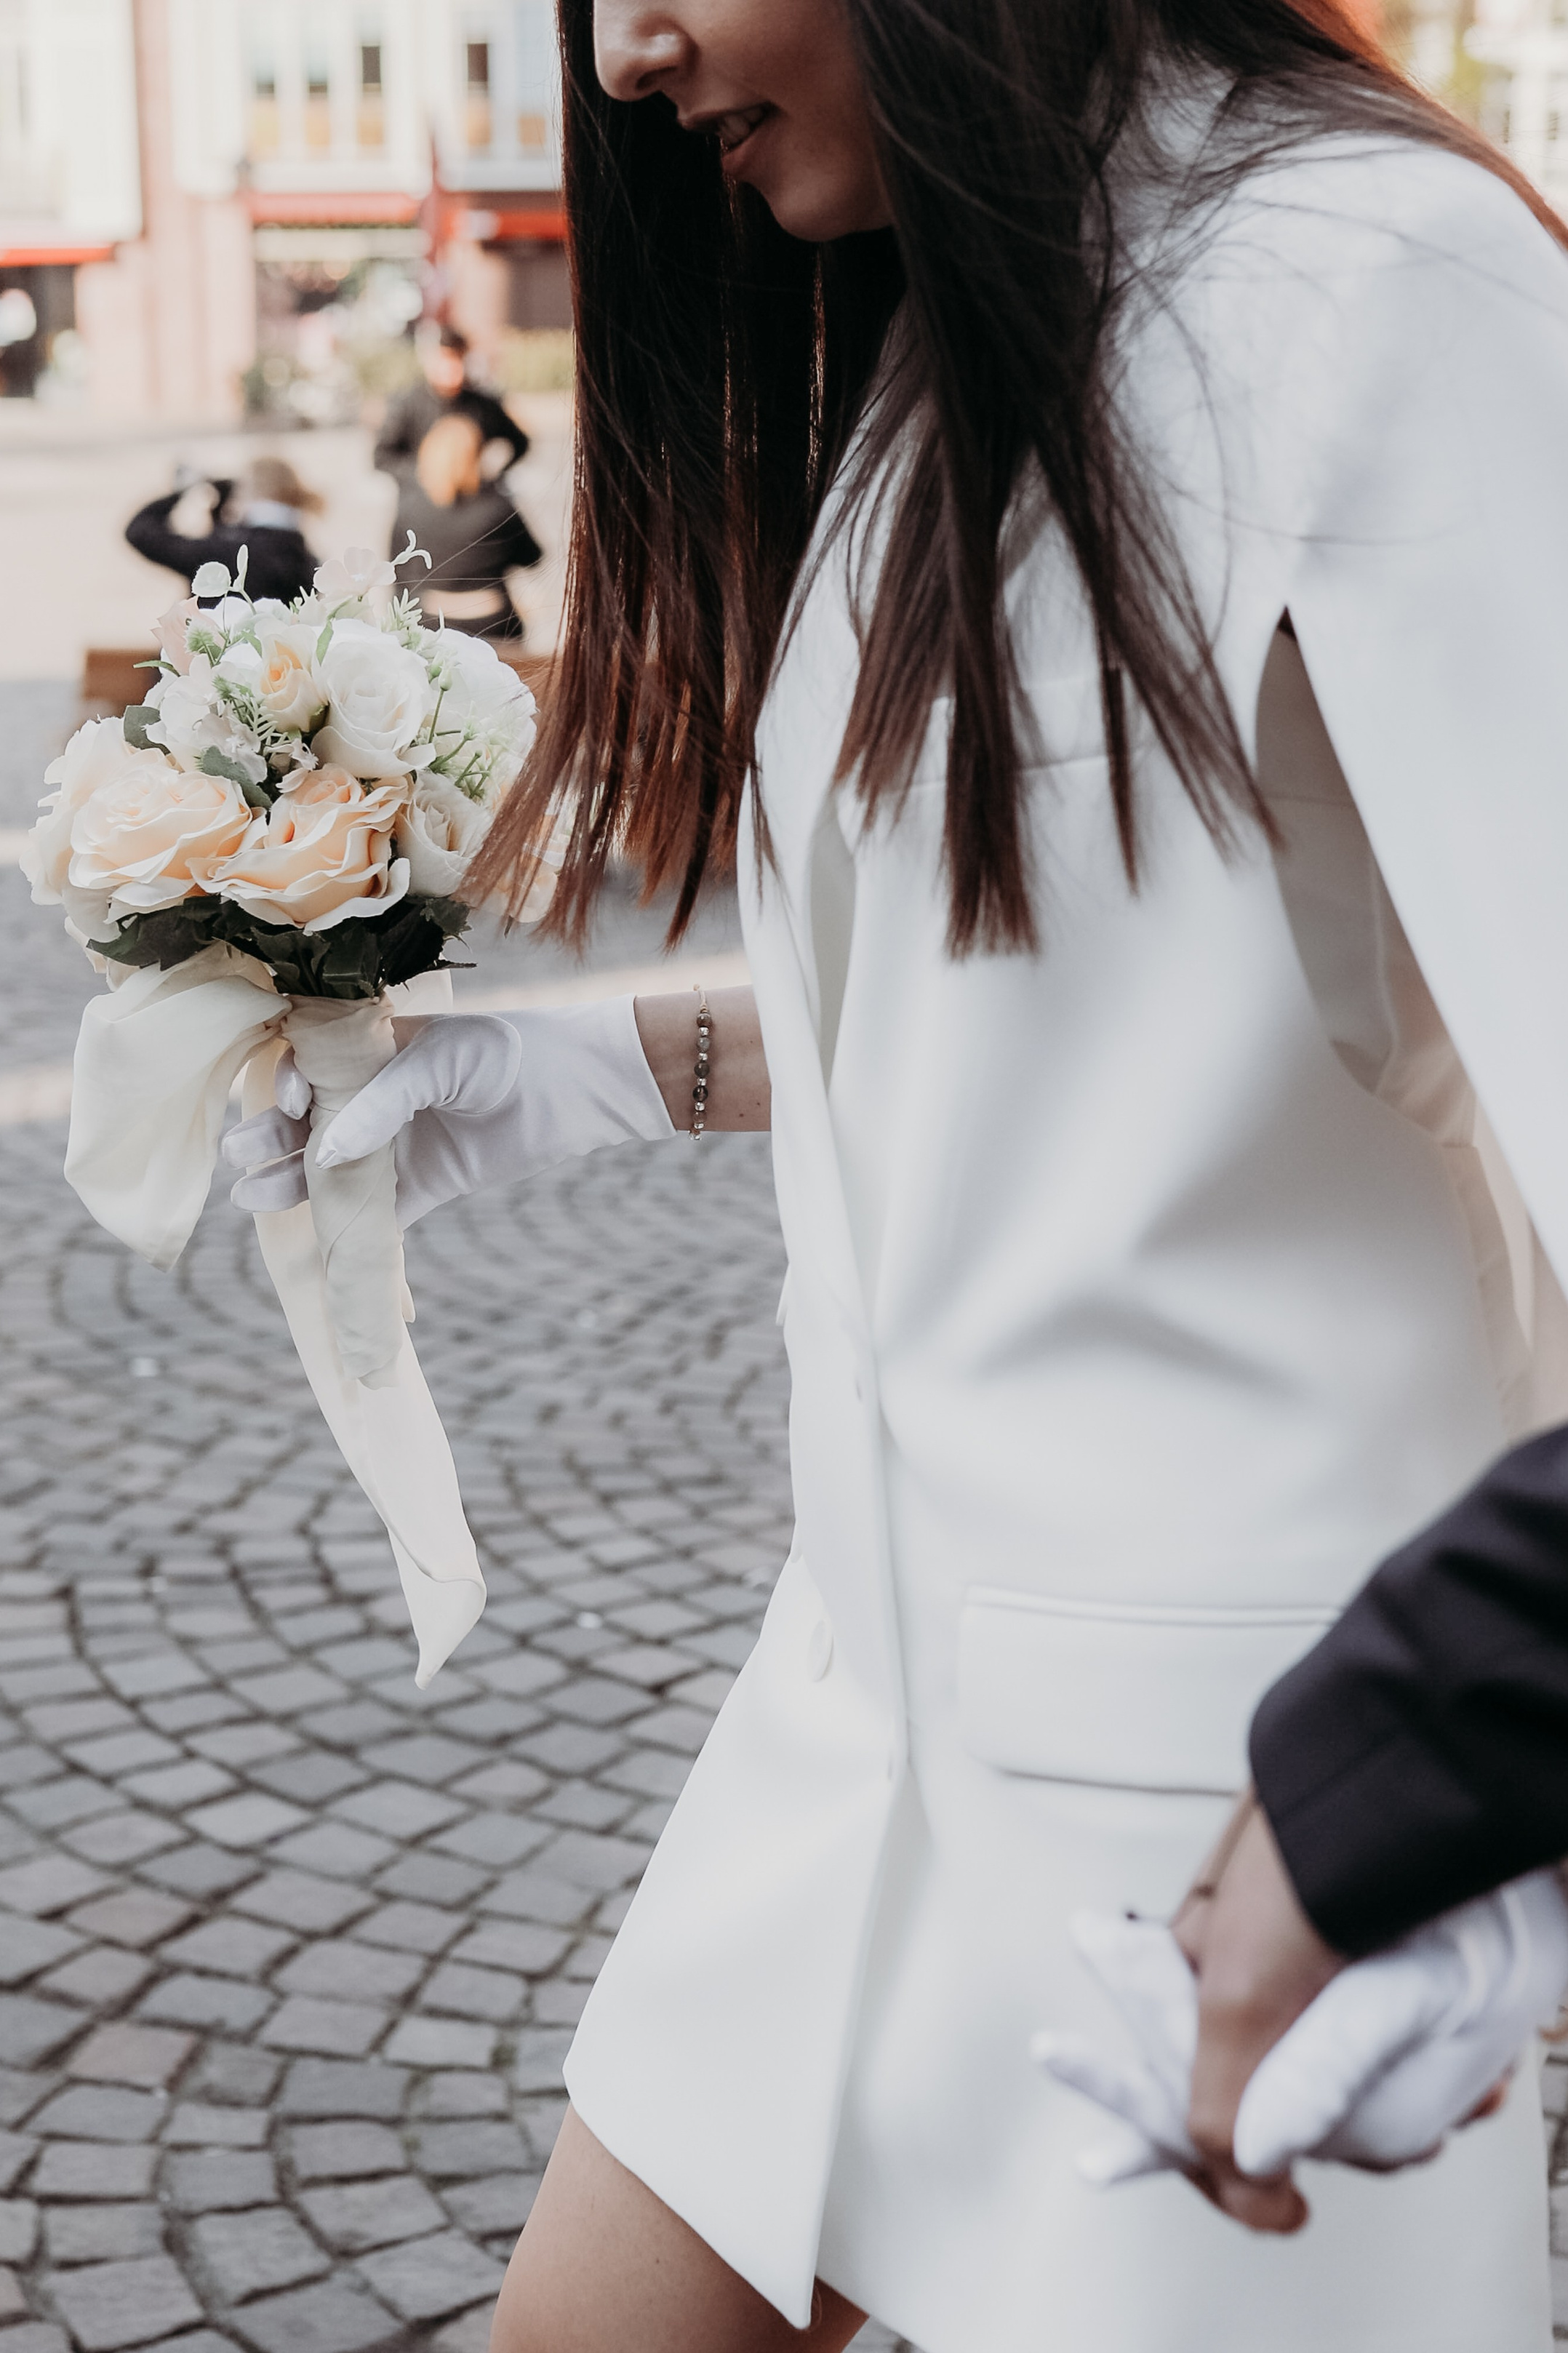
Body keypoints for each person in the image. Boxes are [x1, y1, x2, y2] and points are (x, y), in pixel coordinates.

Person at [220, 0, 1568, 2331]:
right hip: (847, 1748)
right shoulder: (960, 342)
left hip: (1225, 1863)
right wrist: (572, 1071)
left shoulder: (1385, 298)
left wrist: (1446, 1780)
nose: (625, 50)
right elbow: (1026, 990)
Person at [393, 412, 542, 643]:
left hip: (429, 623)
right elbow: (533, 557)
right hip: (492, 623)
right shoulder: (498, 505)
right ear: (476, 455)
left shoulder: (409, 507)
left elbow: (397, 568)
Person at [124, 455, 322, 604]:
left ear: (247, 495)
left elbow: (140, 531)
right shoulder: (306, 559)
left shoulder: (228, 554)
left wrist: (186, 489)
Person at [372, 323, 529, 486]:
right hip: (422, 498)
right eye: (445, 360)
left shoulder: (483, 405)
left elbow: (520, 443)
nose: (452, 368)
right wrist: (429, 473)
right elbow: (382, 457)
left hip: (473, 498)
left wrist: (491, 469)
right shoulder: (406, 404)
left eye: (458, 360)